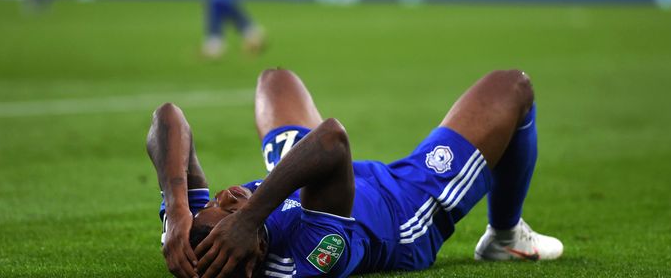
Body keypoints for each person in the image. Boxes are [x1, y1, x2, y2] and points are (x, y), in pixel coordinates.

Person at [147, 69, 563, 278]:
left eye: (220, 201)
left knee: (275, 79)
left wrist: (178, 211)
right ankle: (505, 237)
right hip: (401, 204)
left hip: (308, 182)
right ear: (253, 258)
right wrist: (251, 215)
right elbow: (332, 140)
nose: (230, 194)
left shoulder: (196, 237)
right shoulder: (308, 258)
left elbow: (167, 118)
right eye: (231, 211)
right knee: (513, 87)